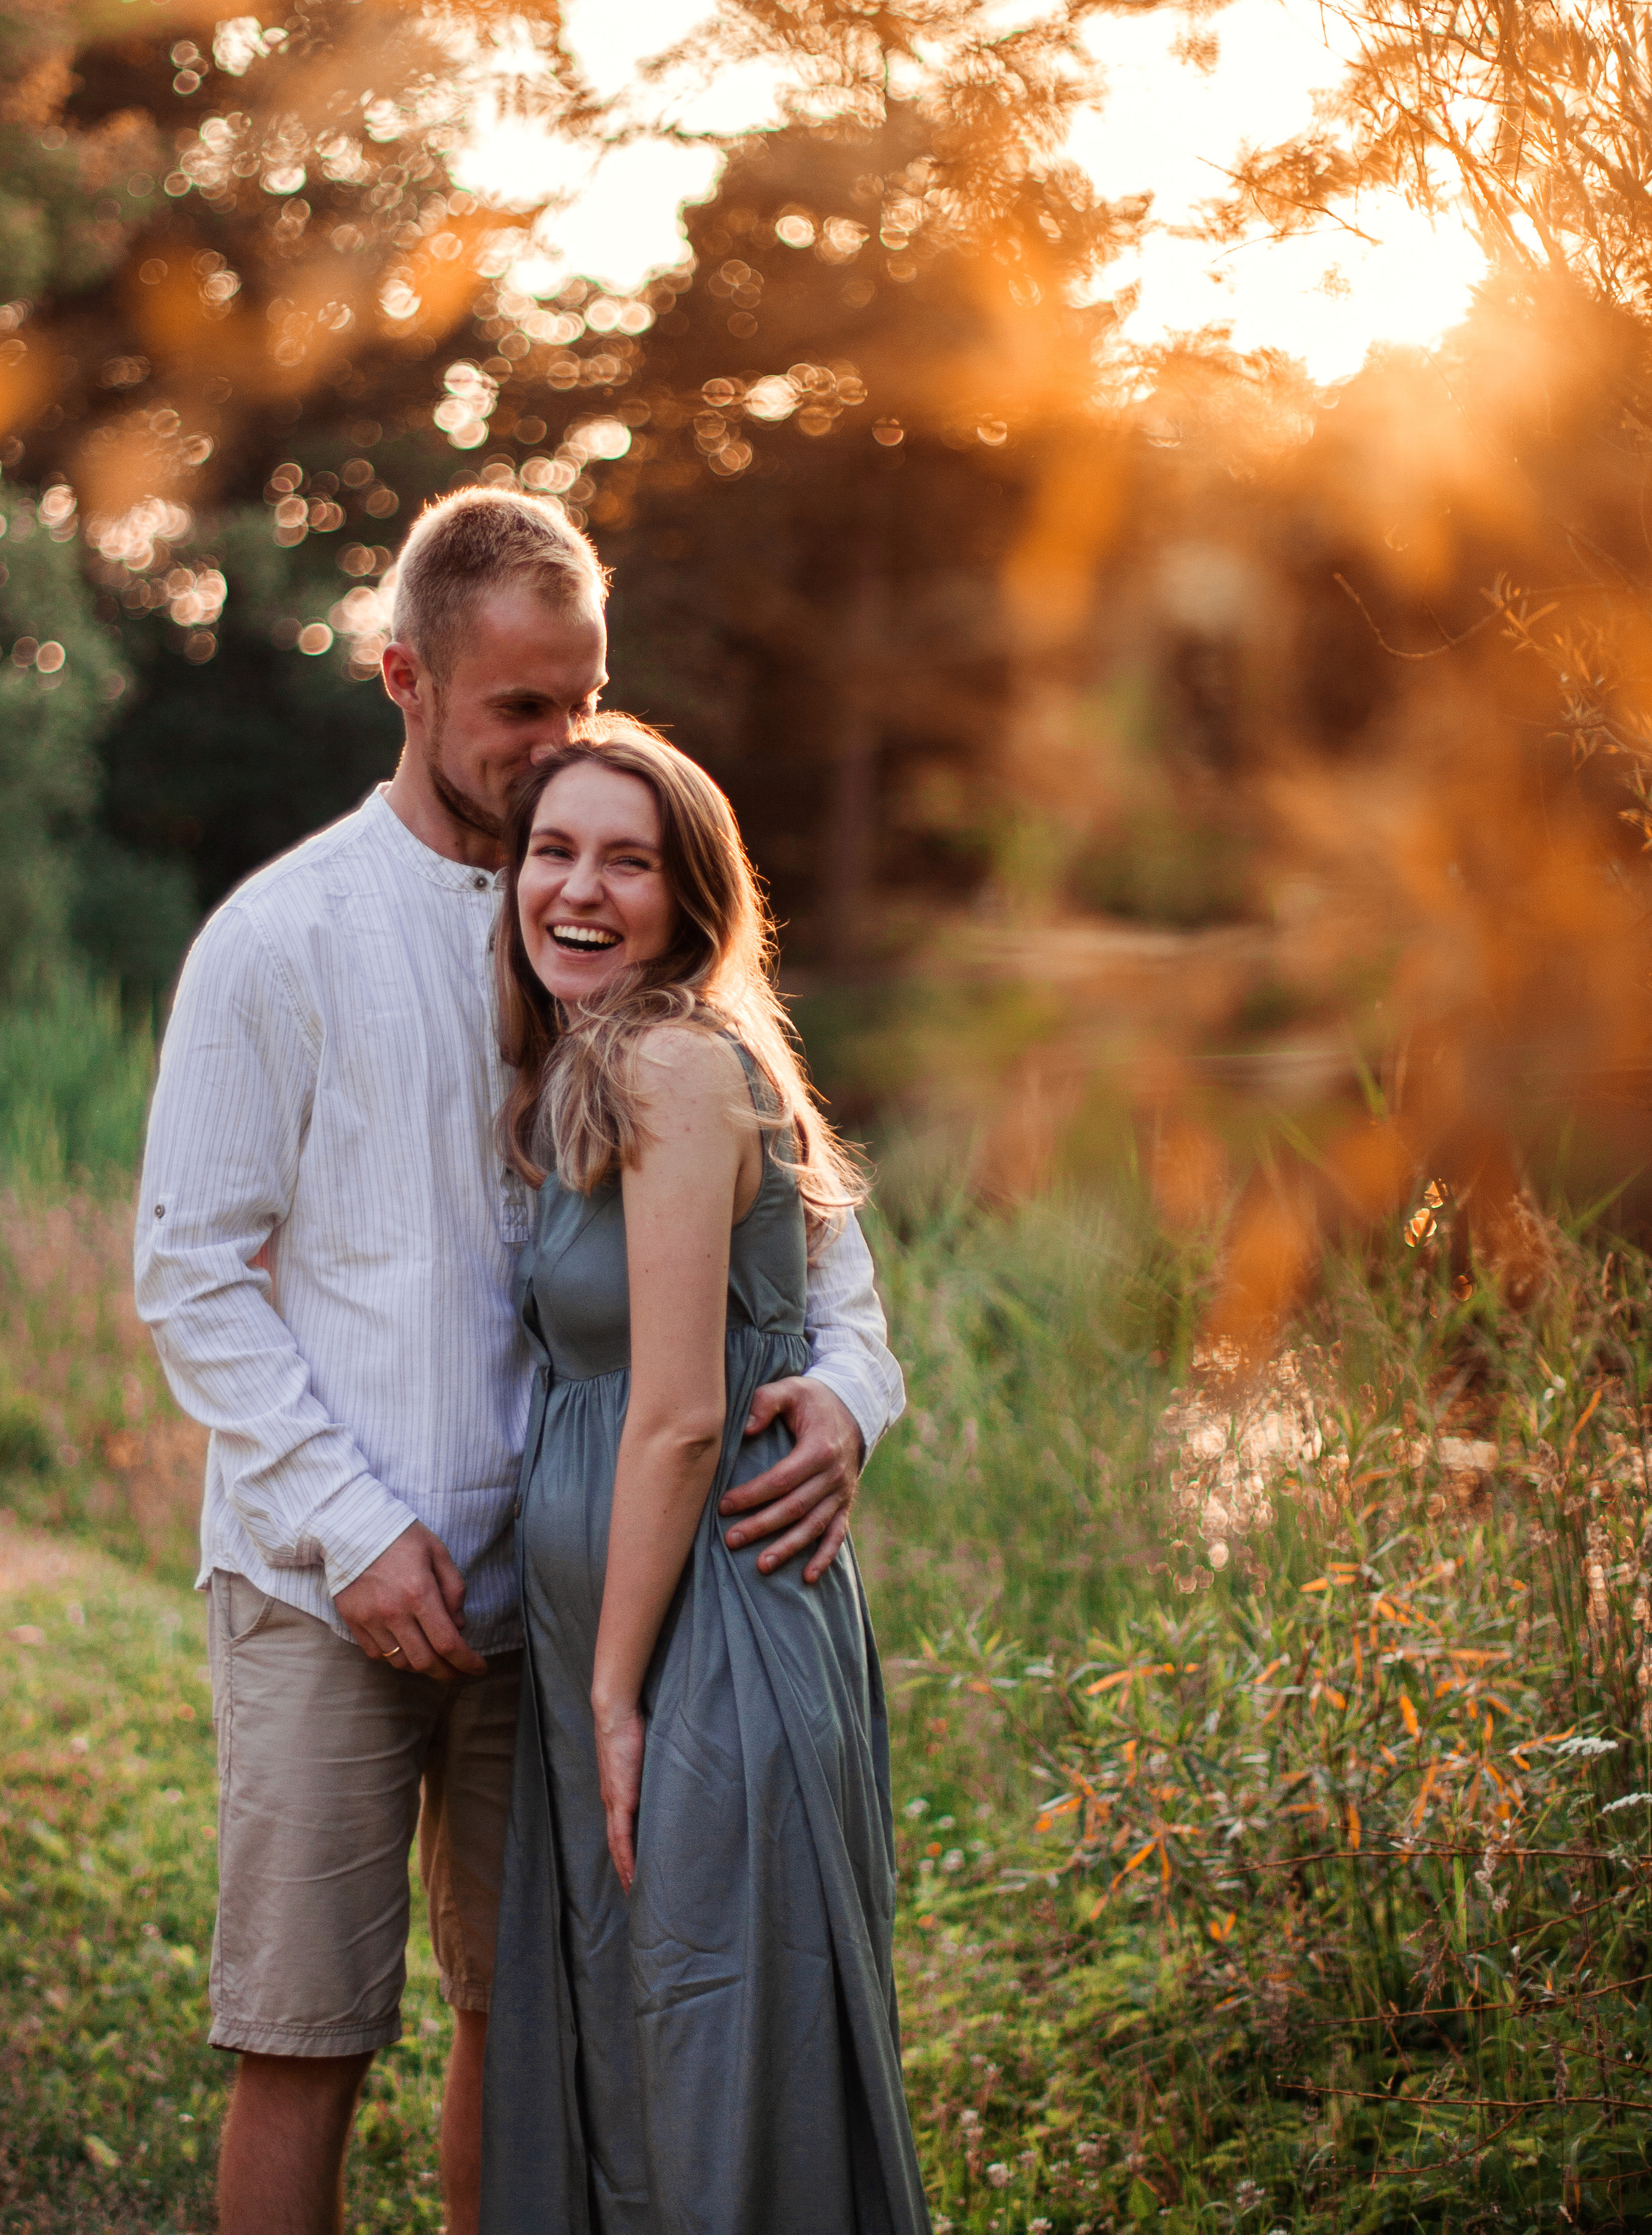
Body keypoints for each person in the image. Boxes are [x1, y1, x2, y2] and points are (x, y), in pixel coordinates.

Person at [135, 487, 906, 2235]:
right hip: (326, 1579)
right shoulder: (284, 939)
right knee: (304, 2030)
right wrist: (351, 1527)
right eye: (521, 712)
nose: (569, 741)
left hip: (560, 1601)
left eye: (586, 696)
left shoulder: (617, 932)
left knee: (533, 2012)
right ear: (404, 681)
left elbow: (817, 1239)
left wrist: (851, 1397)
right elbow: (188, 1276)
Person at [480, 718, 930, 2235]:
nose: (579, 888)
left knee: (723, 2057)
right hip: (620, 1640)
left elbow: (677, 1417)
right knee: (650, 2055)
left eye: (627, 860)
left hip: (701, 1643)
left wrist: (610, 1695)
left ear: (689, 900)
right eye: (553, 851)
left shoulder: (674, 1066)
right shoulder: (591, 1074)